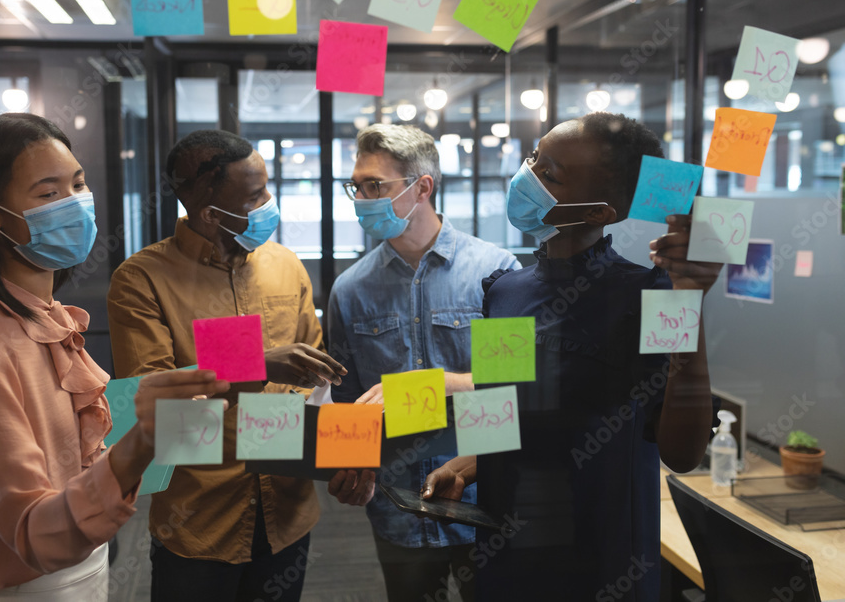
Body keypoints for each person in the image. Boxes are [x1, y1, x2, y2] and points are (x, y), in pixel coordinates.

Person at [0, 113, 229, 600]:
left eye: (79, 184)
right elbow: (31, 531)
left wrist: (150, 420)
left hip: (85, 566)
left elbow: (74, 465)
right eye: (48, 194)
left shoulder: (52, 316)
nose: (75, 205)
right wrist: (142, 441)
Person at [422, 112, 721, 601]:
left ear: (601, 211)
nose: (526, 175)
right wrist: (467, 463)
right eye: (534, 158)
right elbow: (501, 410)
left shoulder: (651, 293)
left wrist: (689, 302)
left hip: (602, 559)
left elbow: (682, 454)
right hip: (505, 546)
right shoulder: (505, 290)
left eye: (548, 173)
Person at [106, 129, 348, 602]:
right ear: (212, 214)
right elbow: (151, 413)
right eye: (256, 196)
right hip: (199, 523)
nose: (270, 204)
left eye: (268, 189)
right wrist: (256, 368)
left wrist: (341, 458)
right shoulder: (142, 281)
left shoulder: (286, 265)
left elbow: (312, 388)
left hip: (289, 512)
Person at [327, 124, 521, 602]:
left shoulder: (497, 273)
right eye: (357, 186)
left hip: (484, 499)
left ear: (423, 187)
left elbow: (516, 387)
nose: (362, 198)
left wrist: (439, 385)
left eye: (376, 186)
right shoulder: (350, 290)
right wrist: (347, 469)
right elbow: (348, 403)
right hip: (399, 505)